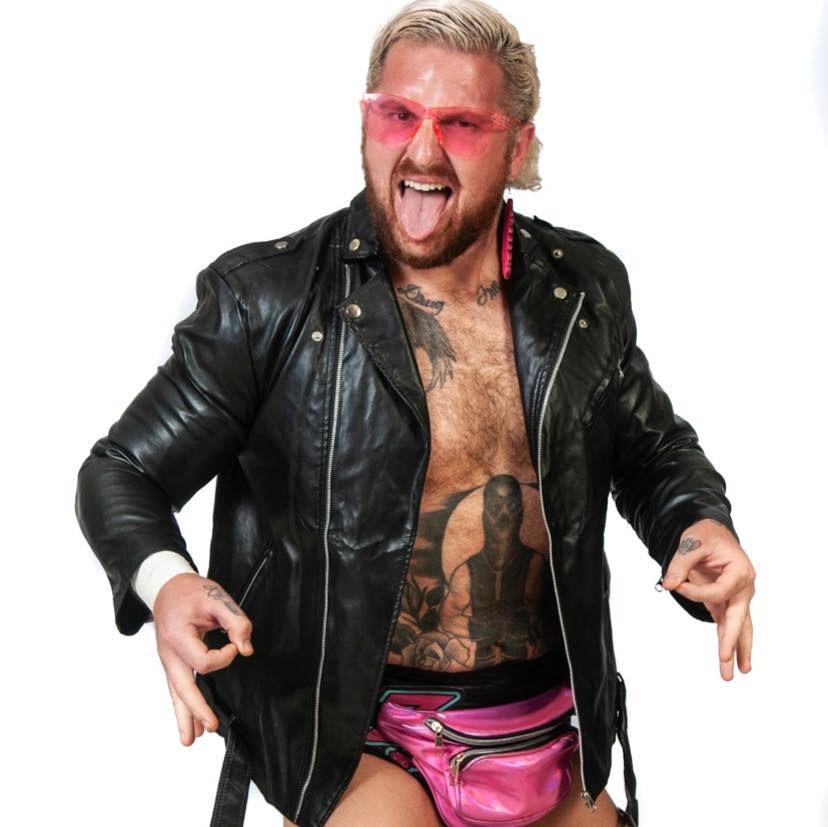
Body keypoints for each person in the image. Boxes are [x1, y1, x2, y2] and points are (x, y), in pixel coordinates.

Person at [75, 1, 756, 825]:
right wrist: (168, 582)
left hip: (541, 718)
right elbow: (122, 472)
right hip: (351, 729)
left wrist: (698, 525)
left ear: (518, 146)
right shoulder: (270, 301)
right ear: (367, 122)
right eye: (398, 114)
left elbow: (650, 450)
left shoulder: (580, 292)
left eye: (461, 124)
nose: (423, 149)